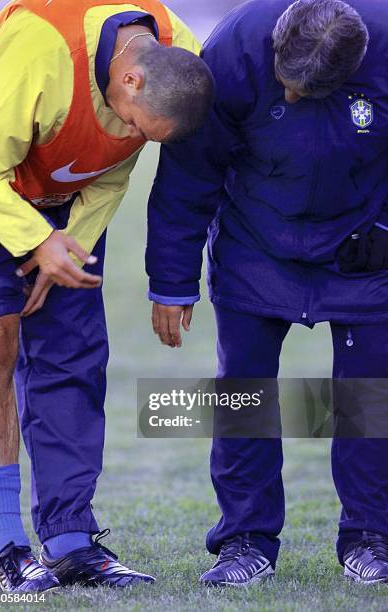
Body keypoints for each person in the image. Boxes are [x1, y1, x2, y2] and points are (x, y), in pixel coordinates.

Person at [147, 0, 388, 587]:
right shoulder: (231, 52)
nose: (292, 99)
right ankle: (246, 540)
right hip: (255, 246)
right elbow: (188, 173)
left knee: (367, 400)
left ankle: (370, 536)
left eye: (309, 92)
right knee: (243, 398)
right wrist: (172, 281)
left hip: (363, 252)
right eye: (286, 85)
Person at [0, 0, 214, 593]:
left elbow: (112, 171)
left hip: (67, 209)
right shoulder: (40, 45)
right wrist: (37, 240)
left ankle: (69, 543)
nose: (131, 136)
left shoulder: (176, 51)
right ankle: (9, 548)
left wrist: (68, 250)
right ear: (128, 76)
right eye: (136, 123)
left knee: (73, 358)